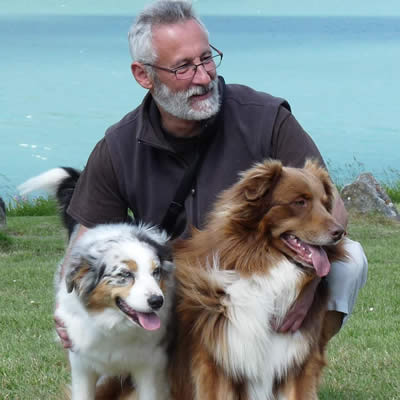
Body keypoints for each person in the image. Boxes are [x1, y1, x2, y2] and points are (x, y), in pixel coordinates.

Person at [57, 0, 367, 347]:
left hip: (260, 277)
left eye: (206, 58)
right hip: (175, 289)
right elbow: (87, 242)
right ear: (144, 75)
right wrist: (68, 307)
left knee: (350, 262)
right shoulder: (118, 146)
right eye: (184, 67)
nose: (204, 77)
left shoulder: (267, 117)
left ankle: (288, 372)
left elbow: (332, 207)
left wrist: (310, 283)